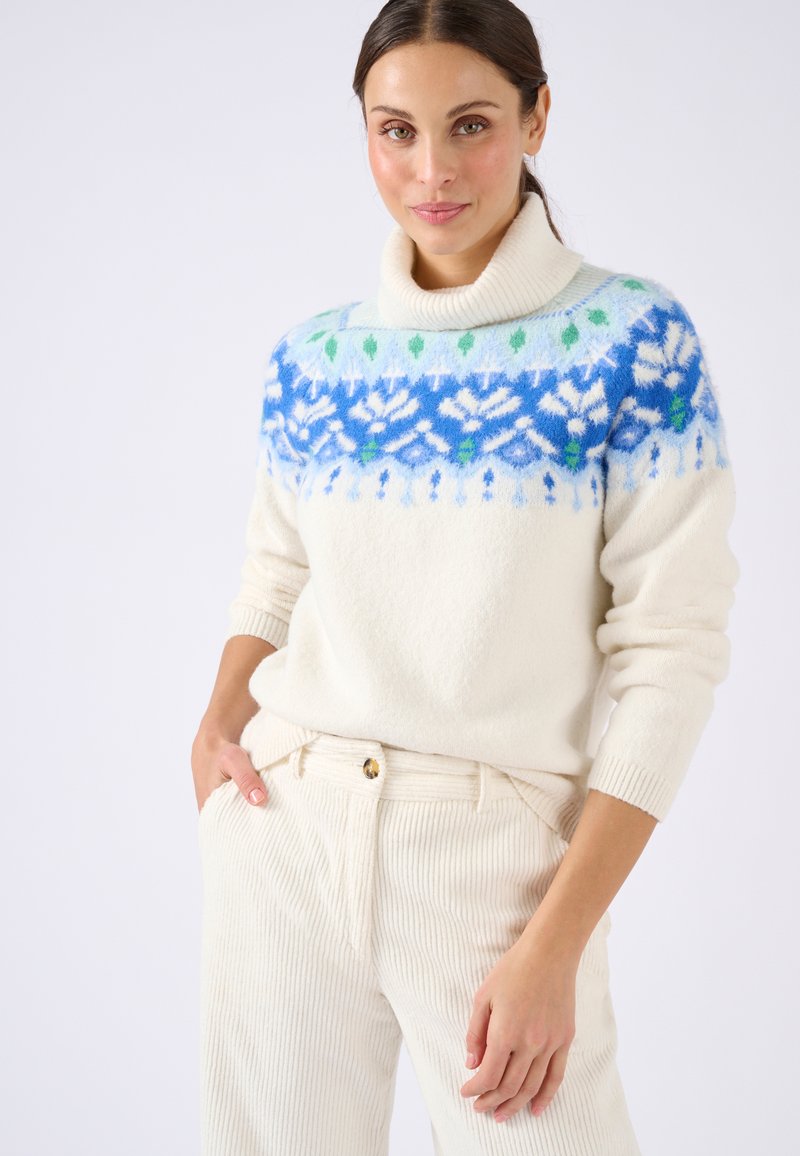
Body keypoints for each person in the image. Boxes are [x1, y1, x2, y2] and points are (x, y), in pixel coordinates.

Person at [192, 1, 739, 1153]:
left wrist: (557, 940)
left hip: (494, 864)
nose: (431, 169)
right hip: (284, 831)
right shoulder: (316, 357)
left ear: (536, 119)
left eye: (471, 124)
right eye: (394, 130)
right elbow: (276, 567)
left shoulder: (629, 342)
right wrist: (216, 722)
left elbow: (671, 653)